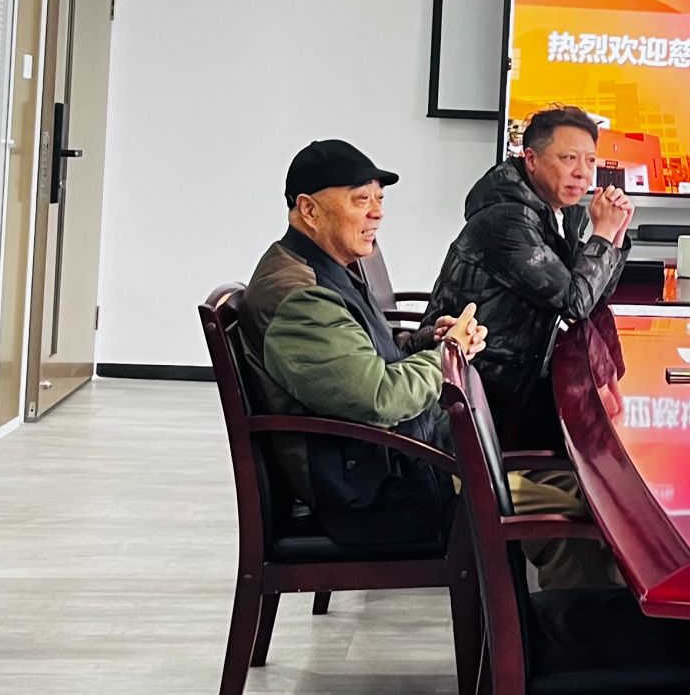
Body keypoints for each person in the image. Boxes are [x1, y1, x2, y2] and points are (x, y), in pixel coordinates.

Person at [427, 106, 634, 586]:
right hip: (485, 398)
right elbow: (574, 300)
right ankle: (588, 605)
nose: (583, 173)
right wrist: (602, 235)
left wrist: (615, 237)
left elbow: (591, 294)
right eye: (568, 158)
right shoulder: (507, 219)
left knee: (609, 468)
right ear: (532, 159)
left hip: (509, 384)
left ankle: (613, 594)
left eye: (590, 161)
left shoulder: (554, 212)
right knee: (607, 476)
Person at [242, 140, 485, 546]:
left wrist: (427, 341)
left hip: (393, 466)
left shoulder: (324, 266)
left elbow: (367, 358)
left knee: (547, 492)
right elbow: (379, 398)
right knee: (556, 512)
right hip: (377, 497)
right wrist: (447, 356)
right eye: (361, 200)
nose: (378, 212)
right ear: (309, 210)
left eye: (379, 199)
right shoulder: (301, 296)